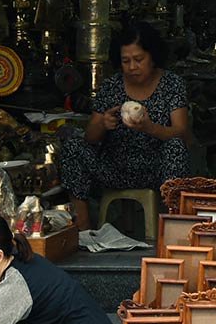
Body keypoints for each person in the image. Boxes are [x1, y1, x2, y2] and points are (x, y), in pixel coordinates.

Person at [56, 20, 192, 228]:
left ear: (153, 56)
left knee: (176, 147)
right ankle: (82, 227)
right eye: (126, 61)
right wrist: (103, 123)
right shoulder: (112, 86)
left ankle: (173, 226)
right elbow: (90, 137)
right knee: (73, 147)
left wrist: (150, 128)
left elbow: (182, 132)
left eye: (139, 59)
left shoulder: (171, 84)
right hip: (116, 167)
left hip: (156, 169)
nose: (132, 67)